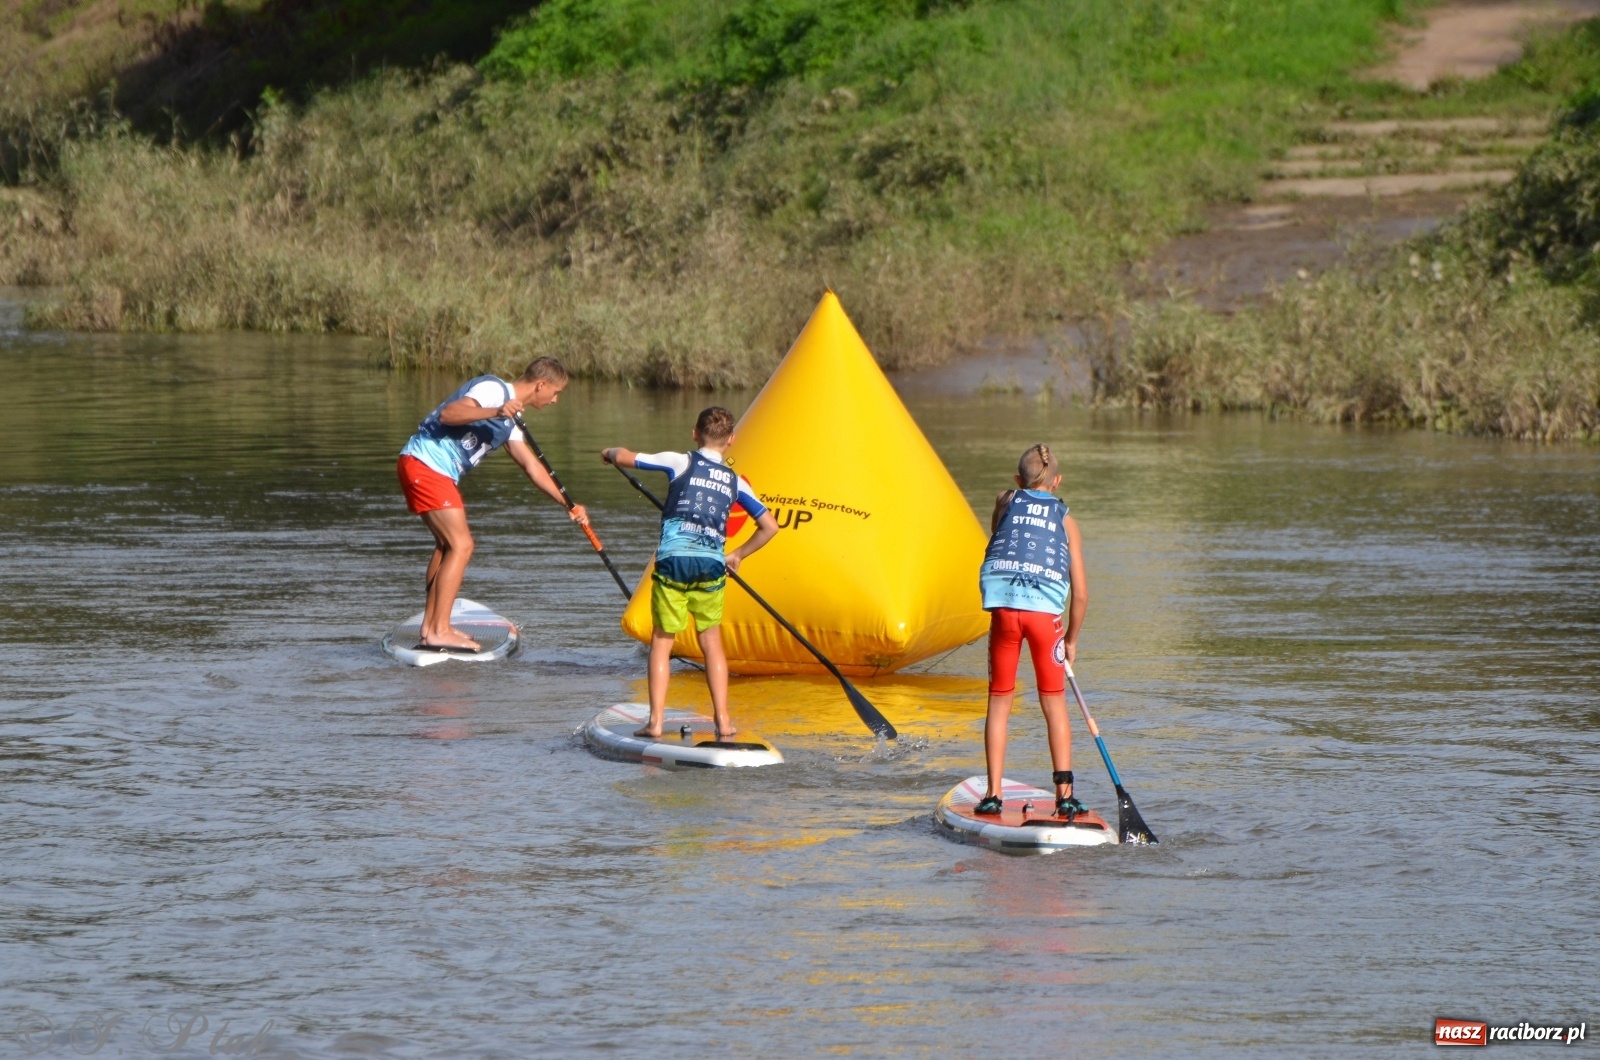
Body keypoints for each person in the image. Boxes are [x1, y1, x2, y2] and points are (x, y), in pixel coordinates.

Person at [601, 407, 779, 738]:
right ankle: (723, 721)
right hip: (711, 565)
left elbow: (628, 457)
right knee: (711, 642)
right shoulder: (736, 482)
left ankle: (654, 723)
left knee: (662, 641)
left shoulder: (679, 462)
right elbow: (770, 526)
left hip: (674, 561)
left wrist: (608, 453)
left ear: (694, 433)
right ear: (731, 441)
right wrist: (737, 554)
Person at [396, 357, 588, 651]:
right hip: (426, 465)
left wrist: (569, 504)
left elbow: (532, 466)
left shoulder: (510, 420)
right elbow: (449, 413)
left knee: (447, 546)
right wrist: (498, 410)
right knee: (462, 545)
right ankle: (439, 630)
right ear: (541, 385)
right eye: (556, 392)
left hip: (426, 467)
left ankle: (431, 627)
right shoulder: (494, 390)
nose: (555, 400)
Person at [974, 443, 1089, 819]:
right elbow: (1082, 595)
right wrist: (1070, 641)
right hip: (1045, 618)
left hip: (1005, 611)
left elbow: (1000, 531)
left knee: (1000, 699)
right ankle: (1065, 797)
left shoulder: (1005, 500)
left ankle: (992, 795)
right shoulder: (1067, 521)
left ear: (1016, 480)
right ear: (1058, 482)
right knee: (1054, 703)